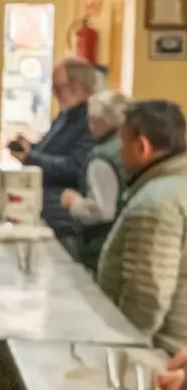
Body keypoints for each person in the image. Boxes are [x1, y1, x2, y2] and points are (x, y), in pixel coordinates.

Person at [97, 99, 187, 354]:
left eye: (123, 143)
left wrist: (125, 352)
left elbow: (147, 297)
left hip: (163, 354)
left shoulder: (155, 204)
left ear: (142, 146)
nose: (119, 152)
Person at [9, 58, 100, 250]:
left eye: (61, 87)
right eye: (53, 87)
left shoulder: (89, 122)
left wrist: (31, 157)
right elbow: (48, 152)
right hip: (48, 209)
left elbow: (75, 167)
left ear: (81, 86)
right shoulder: (65, 116)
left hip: (65, 217)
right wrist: (29, 148)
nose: (55, 94)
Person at [61, 90, 129, 271]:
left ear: (98, 121)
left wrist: (74, 202)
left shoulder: (102, 158)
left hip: (102, 246)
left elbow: (102, 211)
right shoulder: (126, 147)